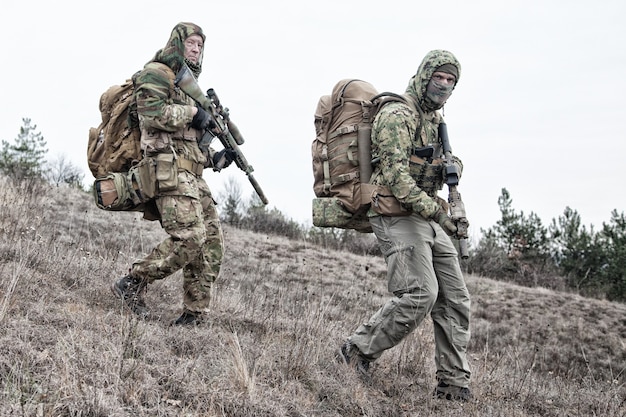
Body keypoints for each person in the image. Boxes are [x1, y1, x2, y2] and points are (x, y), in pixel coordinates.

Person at [339, 50, 472, 401]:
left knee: (455, 299)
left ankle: (453, 383)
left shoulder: (434, 120)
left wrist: (451, 166)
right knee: (420, 294)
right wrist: (440, 213)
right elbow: (397, 177)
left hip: (423, 215)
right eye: (439, 77)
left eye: (451, 81)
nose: (444, 86)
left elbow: (428, 167)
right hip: (395, 212)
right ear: (424, 75)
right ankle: (356, 351)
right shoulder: (398, 114)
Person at [111, 22, 235, 325]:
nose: (196, 49)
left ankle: (194, 313)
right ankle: (133, 283)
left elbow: (188, 143)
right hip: (166, 170)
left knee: (211, 244)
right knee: (190, 238)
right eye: (191, 43)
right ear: (177, 44)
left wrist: (215, 158)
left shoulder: (190, 87)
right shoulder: (157, 73)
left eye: (200, 45)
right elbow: (153, 115)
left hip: (192, 174)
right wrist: (194, 114)